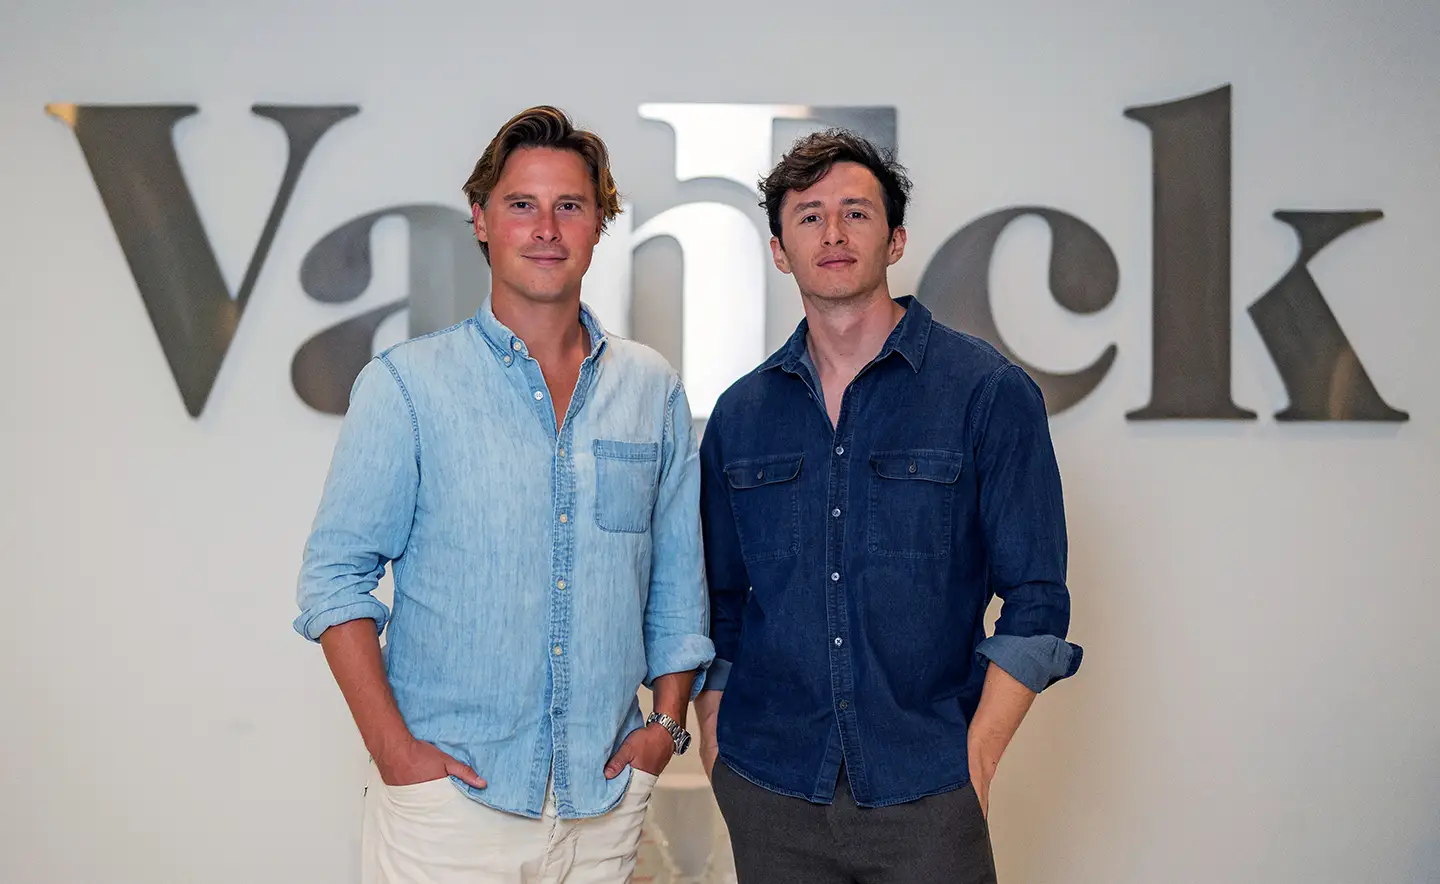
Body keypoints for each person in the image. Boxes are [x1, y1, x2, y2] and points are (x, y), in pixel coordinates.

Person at [293, 105, 712, 884]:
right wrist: (395, 751)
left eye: (570, 206)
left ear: (599, 224)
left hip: (604, 802)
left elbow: (679, 590)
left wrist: (663, 729)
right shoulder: (408, 387)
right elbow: (332, 579)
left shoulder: (649, 389)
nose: (545, 227)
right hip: (448, 811)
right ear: (481, 220)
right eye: (522, 205)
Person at [694, 129, 1082, 883]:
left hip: (928, 791)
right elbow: (720, 605)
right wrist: (715, 737)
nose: (832, 233)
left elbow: (1038, 600)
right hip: (770, 788)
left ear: (895, 239)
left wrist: (979, 755)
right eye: (808, 216)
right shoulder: (740, 415)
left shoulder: (987, 393)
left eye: (856, 213)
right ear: (779, 250)